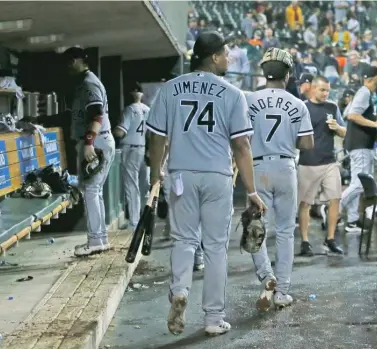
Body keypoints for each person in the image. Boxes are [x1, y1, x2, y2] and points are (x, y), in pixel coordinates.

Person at [145, 31, 266, 336]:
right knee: (214, 248)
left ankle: (179, 292)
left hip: (181, 175)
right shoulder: (233, 94)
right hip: (217, 176)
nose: (228, 58)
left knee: (185, 240)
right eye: (225, 53)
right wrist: (251, 190)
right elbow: (242, 146)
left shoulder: (170, 89)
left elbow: (156, 138)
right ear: (213, 57)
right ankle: (213, 318)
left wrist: (155, 175)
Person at [246, 47, 314, 311]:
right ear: (288, 74)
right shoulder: (298, 104)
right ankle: (282, 291)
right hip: (286, 167)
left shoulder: (249, 99)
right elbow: (306, 142)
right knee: (286, 231)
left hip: (257, 167)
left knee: (255, 227)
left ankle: (266, 275)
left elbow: (241, 139)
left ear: (264, 73)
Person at [63, 47, 116, 257]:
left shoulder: (89, 83)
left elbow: (97, 115)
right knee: (94, 191)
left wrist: (89, 143)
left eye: (71, 60)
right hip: (99, 140)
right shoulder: (83, 82)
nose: (68, 64)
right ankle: (100, 239)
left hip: (97, 140)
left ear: (81, 61)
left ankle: (95, 240)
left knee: (91, 191)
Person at [297, 76, 346, 256]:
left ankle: (331, 238)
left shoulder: (332, 107)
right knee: (305, 204)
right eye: (322, 90)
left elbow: (344, 131)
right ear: (312, 88)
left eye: (327, 90)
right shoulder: (303, 107)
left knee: (335, 199)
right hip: (308, 162)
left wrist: (337, 128)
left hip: (329, 161)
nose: (326, 93)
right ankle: (304, 241)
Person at [340, 66, 377, 232]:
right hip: (359, 145)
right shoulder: (365, 92)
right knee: (359, 185)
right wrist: (374, 124)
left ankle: (352, 221)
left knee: (354, 183)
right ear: (374, 78)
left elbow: (346, 112)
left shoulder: (362, 92)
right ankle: (333, 208)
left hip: (357, 144)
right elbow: (352, 115)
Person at [113, 82, 149, 233]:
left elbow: (120, 132)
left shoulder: (129, 109)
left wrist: (109, 131)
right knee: (144, 186)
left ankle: (135, 222)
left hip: (130, 149)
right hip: (143, 148)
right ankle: (145, 219)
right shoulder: (148, 109)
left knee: (132, 186)